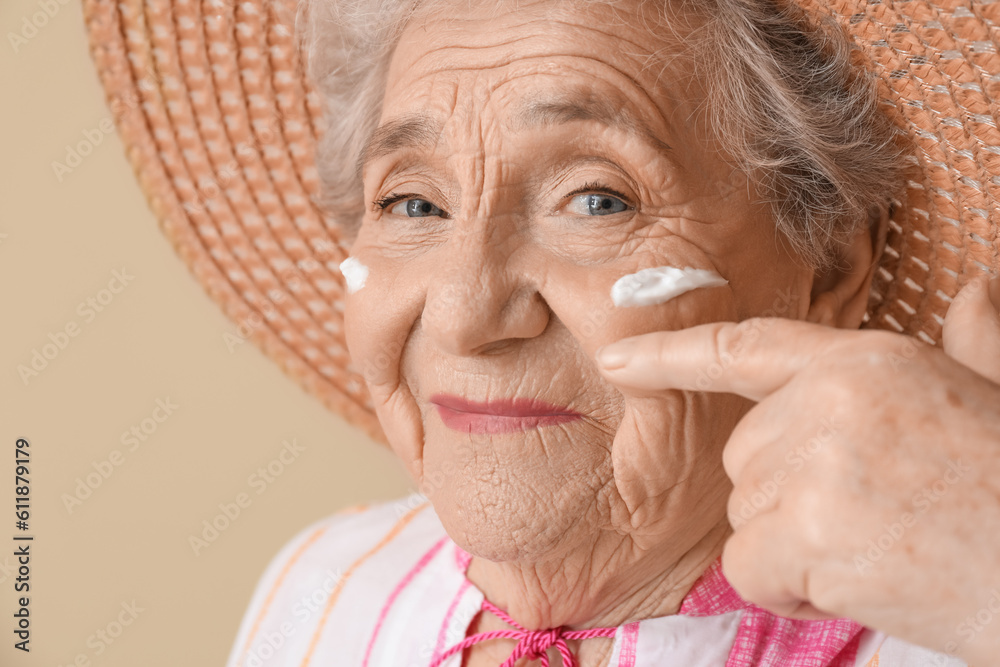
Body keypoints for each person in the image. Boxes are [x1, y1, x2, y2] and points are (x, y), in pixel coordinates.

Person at [81, 0, 1000, 664]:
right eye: (414, 200)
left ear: (830, 266)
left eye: (596, 199)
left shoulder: (954, 624)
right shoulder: (319, 591)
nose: (467, 313)